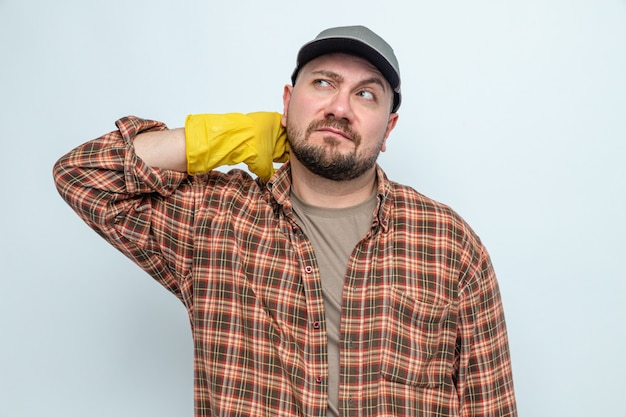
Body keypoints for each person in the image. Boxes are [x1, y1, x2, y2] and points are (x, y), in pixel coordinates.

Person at [54, 25, 517, 417]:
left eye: (366, 95)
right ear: (286, 101)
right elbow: (83, 174)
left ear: (388, 128)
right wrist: (223, 138)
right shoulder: (213, 221)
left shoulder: (449, 243)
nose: (339, 107)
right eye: (323, 84)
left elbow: (491, 405)